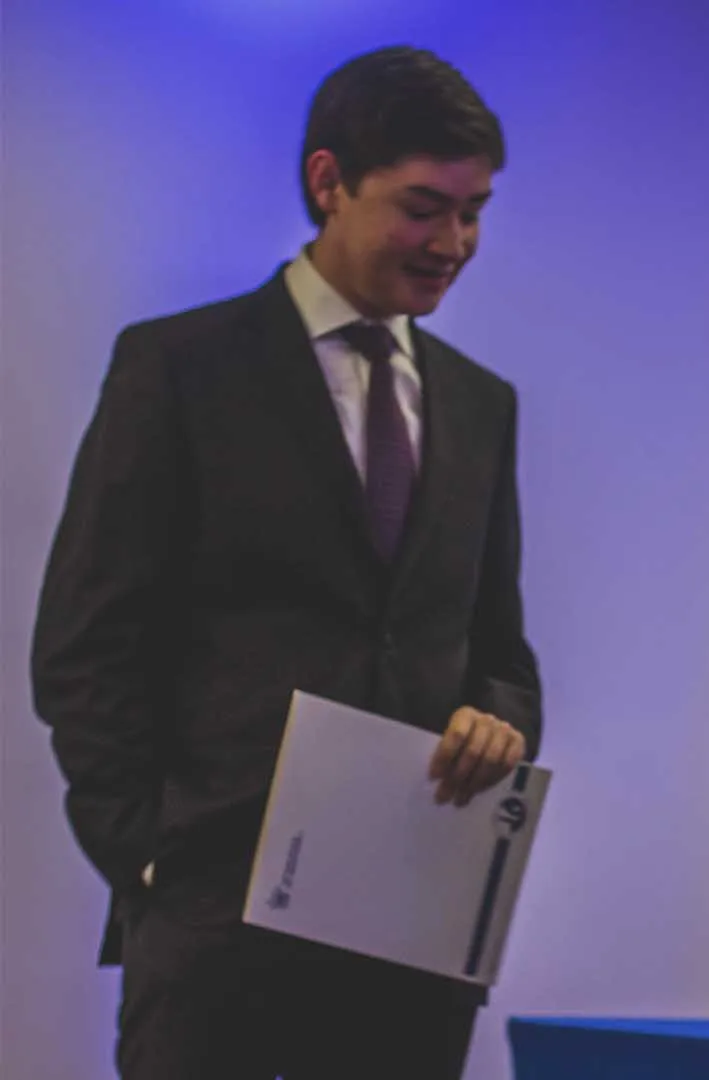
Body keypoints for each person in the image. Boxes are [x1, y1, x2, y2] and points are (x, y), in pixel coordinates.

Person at [31, 45, 538, 1080]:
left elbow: (499, 649)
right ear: (328, 182)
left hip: (414, 938)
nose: (454, 243)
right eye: (423, 208)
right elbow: (85, 645)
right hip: (211, 928)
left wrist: (498, 718)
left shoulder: (485, 404)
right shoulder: (177, 368)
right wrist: (150, 861)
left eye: (474, 212)